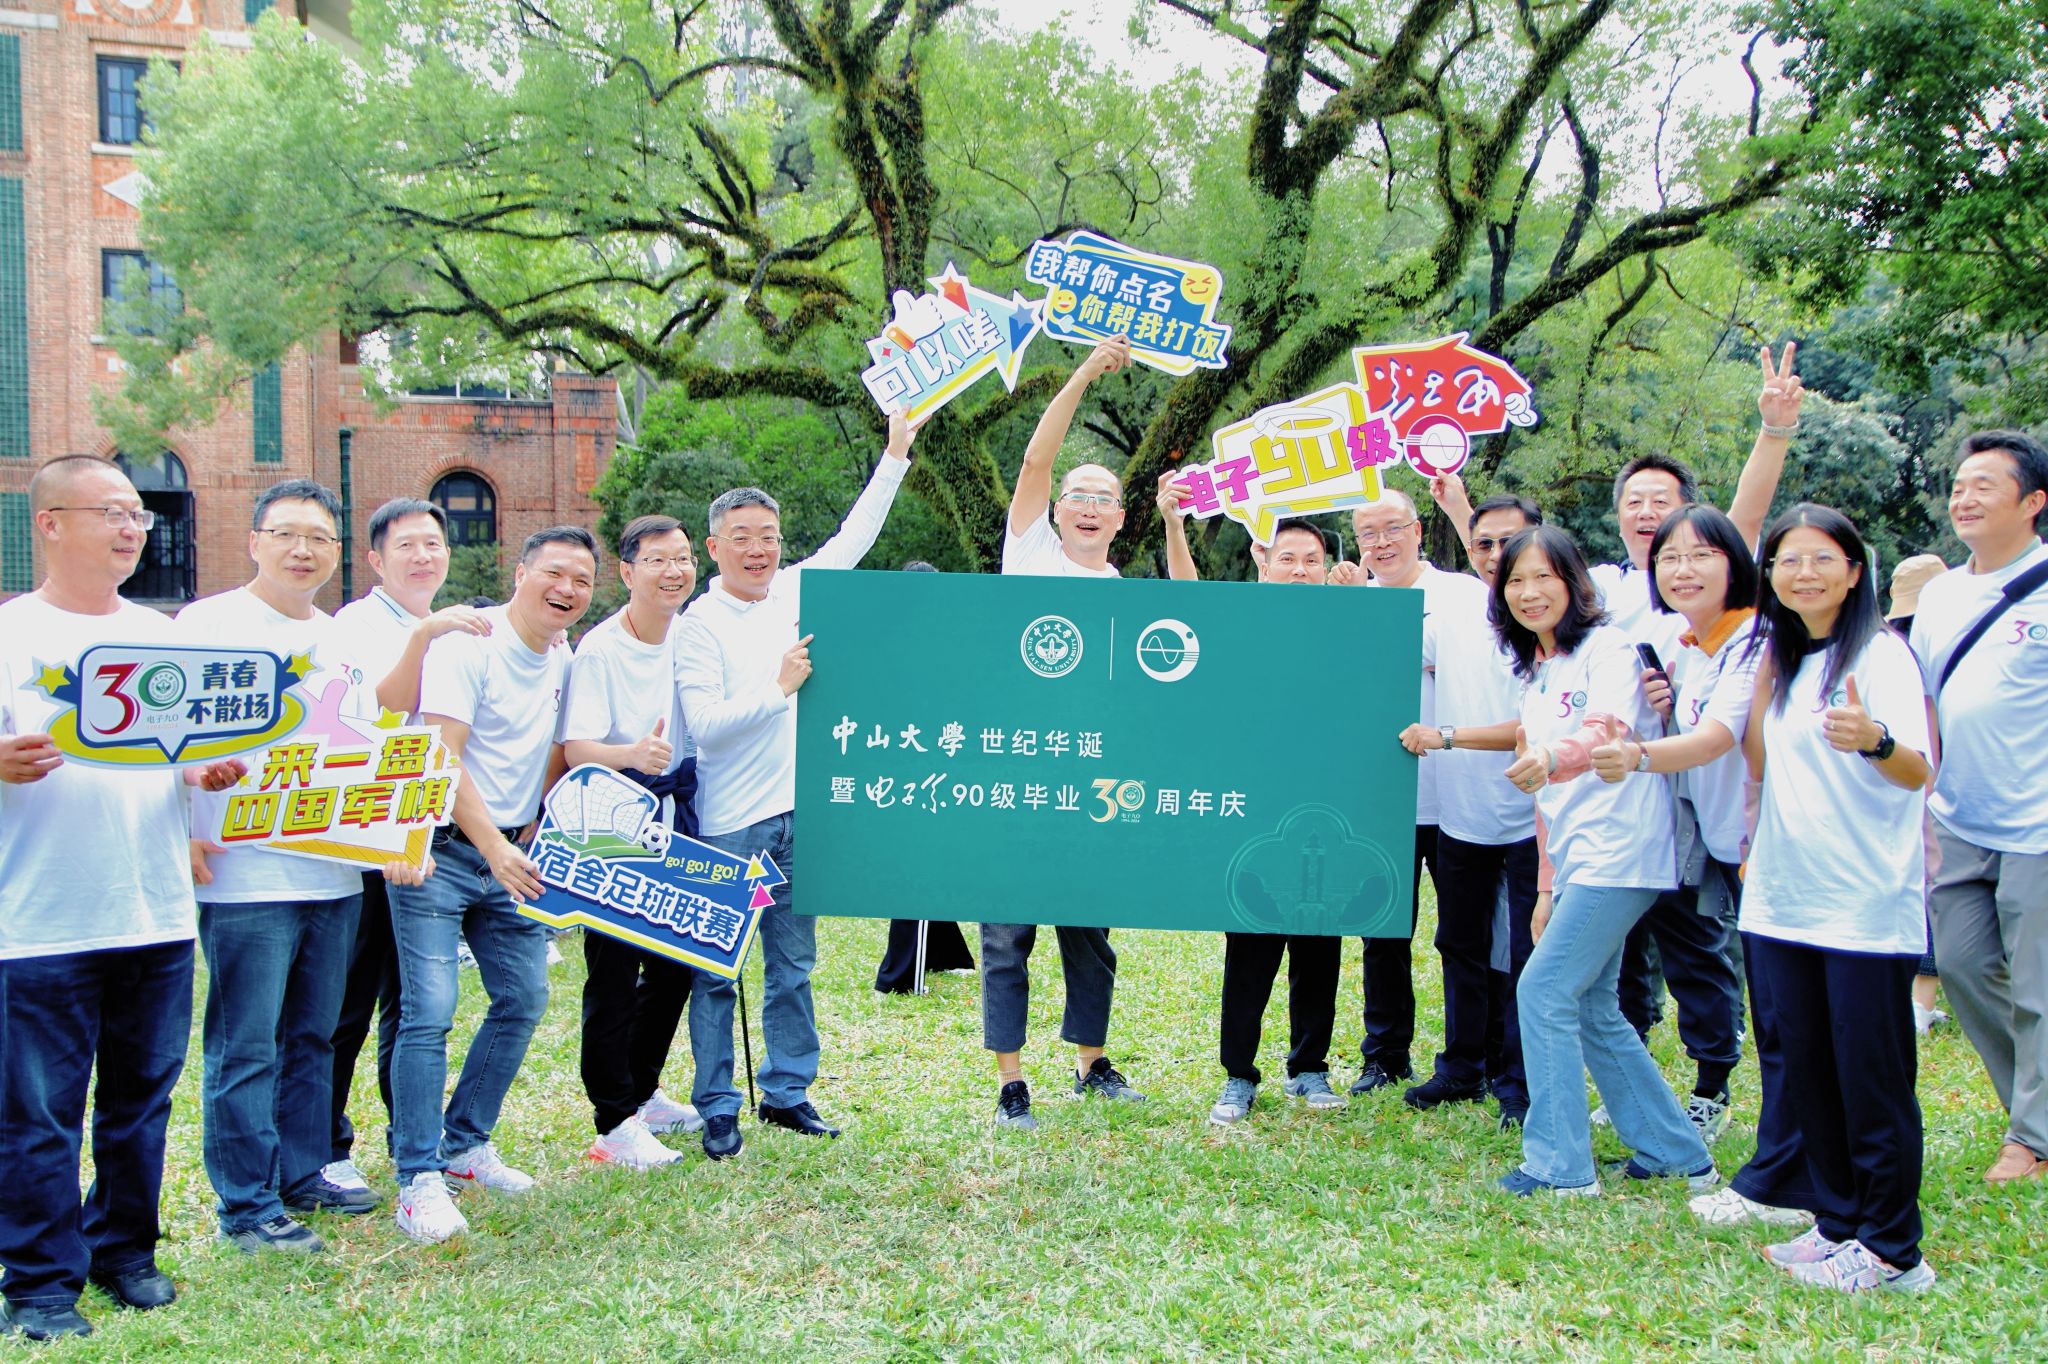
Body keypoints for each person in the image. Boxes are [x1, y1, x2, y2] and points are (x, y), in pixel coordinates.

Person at [0, 457, 243, 1341]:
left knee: (141, 1100)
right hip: (40, 919)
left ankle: (124, 1251)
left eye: (138, 514)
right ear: (50, 523)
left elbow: (173, 755)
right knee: (39, 1114)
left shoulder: (159, 635)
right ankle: (38, 1284)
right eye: (111, 511)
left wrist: (202, 771)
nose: (132, 528)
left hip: (154, 910)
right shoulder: (10, 635)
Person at [674, 411, 919, 1156]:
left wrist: (895, 454)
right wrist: (779, 689)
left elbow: (856, 536)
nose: (758, 549)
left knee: (793, 966)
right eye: (742, 537)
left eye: (769, 537)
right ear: (714, 547)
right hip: (729, 824)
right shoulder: (699, 623)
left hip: (796, 817)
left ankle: (787, 1092)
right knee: (717, 972)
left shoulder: (792, 592)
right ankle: (718, 1105)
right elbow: (706, 726)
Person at [177, 480, 392, 1253]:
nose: (303, 550)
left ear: (336, 553)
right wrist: (184, 825)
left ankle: (303, 1172)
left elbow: (367, 749)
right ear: (254, 542)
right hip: (246, 875)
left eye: (319, 539)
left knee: (314, 1035)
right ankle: (246, 1203)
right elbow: (166, 742)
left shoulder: (342, 639)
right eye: (286, 534)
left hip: (333, 873)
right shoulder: (207, 626)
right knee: (247, 1045)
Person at [1584, 507, 1807, 1227]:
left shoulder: (1754, 640)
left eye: (1701, 554)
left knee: (1788, 1016)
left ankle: (1787, 1176)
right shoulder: (1695, 647)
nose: (1682, 569)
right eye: (1670, 558)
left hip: (1778, 850)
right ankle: (1785, 1169)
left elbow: (1715, 740)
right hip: (1734, 852)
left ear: (1736, 562)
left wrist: (1637, 755)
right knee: (1777, 1013)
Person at [1739, 504, 1936, 1293]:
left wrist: (1875, 740)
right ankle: (1838, 1221)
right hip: (1785, 900)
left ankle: (1893, 1251)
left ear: (1855, 572)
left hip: (1863, 907)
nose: (1804, 573)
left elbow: (1920, 770)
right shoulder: (1790, 659)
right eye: (1788, 560)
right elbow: (1762, 764)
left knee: (1870, 1079)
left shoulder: (1881, 655)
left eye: (1823, 558)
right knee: (1810, 1072)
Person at [387, 525, 597, 1243]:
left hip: (510, 852)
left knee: (525, 995)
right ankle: (417, 1177)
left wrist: (534, 819)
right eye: (554, 574)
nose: (567, 590)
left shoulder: (562, 655)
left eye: (581, 581)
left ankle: (465, 1144)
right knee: (429, 1010)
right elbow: (441, 757)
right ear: (520, 573)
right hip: (442, 850)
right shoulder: (467, 645)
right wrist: (495, 846)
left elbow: (550, 745)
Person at [1490, 526, 1714, 1197]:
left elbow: (1605, 731)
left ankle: (1560, 1166)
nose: (1530, 592)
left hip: (1622, 851)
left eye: (1544, 577)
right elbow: (1544, 799)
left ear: (1573, 582)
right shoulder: (1537, 675)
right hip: (1578, 858)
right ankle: (1675, 1152)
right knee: (1591, 1005)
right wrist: (1545, 889)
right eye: (1516, 581)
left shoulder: (1608, 648)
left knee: (1544, 990)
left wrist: (1551, 756)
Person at [984, 336, 1147, 1131]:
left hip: (1092, 780)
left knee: (1090, 930)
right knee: (1006, 934)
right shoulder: (1029, 554)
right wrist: (1084, 372)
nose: (1086, 504)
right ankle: (1012, 1081)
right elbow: (1035, 460)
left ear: (1119, 518)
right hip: (1017, 773)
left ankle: (1091, 1062)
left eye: (1102, 497)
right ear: (1056, 510)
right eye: (1076, 493)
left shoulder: (1122, 591)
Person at [324, 498, 492, 1200]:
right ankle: (327, 1146)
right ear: (375, 559)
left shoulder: (458, 623)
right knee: (349, 1002)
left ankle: (408, 1136)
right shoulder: (356, 625)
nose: (423, 556)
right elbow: (381, 714)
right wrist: (424, 635)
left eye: (433, 544)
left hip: (423, 840)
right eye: (406, 546)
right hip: (368, 839)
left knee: (407, 1002)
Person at [1160, 501, 1348, 1123]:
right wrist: (1174, 526)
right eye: (1288, 558)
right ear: (1263, 563)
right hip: (1254, 814)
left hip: (1327, 810)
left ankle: (1310, 1067)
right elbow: (1189, 603)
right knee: (1250, 948)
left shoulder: (1348, 625)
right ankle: (1238, 1074)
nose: (1300, 570)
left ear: (1326, 568)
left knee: (1319, 945)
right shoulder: (1239, 621)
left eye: (1312, 561)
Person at [1913, 431, 2048, 1185]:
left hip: (2039, 824)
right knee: (1963, 968)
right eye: (1959, 485)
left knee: (2037, 987)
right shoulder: (1941, 594)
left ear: (2033, 502)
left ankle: (2031, 1139)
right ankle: (2035, 1112)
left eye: (1984, 486)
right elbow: (1925, 697)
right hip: (1959, 815)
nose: (1963, 498)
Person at [561, 515, 713, 1171]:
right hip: (614, 822)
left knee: (678, 960)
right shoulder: (601, 649)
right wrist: (633, 754)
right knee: (615, 973)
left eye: (683, 558)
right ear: (627, 572)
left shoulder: (693, 634)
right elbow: (575, 748)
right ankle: (612, 1122)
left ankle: (643, 1092)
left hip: (677, 816)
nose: (674, 571)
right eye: (657, 559)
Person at [1397, 487, 1542, 1128]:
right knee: (1460, 945)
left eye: (1510, 541)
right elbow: (1383, 652)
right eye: (1484, 543)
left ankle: (1519, 1082)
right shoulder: (1453, 617)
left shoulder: (1551, 622)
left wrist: (1448, 736)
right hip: (1462, 818)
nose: (1496, 554)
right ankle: (1462, 1068)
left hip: (1532, 821)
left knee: (1525, 954)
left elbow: (1537, 726)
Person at [1343, 488, 1490, 1097]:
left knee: (1465, 938)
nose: (1381, 543)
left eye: (1392, 528)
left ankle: (1471, 1059)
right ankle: (1384, 1055)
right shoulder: (1353, 601)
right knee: (1382, 933)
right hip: (1384, 798)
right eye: (1368, 533)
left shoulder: (1463, 594)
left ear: (1418, 530)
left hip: (1459, 796)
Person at [874, 562, 976, 993]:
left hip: (943, 763)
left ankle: (945, 952)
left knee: (933, 859)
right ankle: (897, 976)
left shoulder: (947, 642)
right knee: (915, 864)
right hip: (906, 768)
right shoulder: (894, 646)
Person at [1886, 552, 1951, 1035]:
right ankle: (1920, 1006)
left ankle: (1918, 1004)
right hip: (1935, 792)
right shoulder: (1920, 658)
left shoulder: (1891, 650)